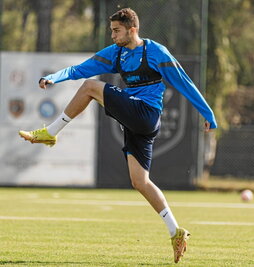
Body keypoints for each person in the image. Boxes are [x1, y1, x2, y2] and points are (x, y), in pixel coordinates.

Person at [19, 8, 217, 263]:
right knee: (140, 182)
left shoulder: (156, 52)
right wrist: (53, 78)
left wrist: (208, 114)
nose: (112, 35)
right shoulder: (117, 53)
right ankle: (176, 231)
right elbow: (82, 68)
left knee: (91, 87)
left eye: (116, 30)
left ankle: (50, 132)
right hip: (137, 124)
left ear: (132, 30)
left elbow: (184, 83)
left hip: (146, 114)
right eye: (111, 30)